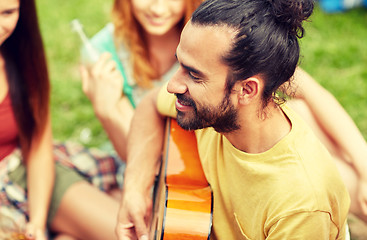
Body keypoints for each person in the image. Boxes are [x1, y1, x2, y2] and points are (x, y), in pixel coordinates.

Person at [115, 0, 351, 239]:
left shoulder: (301, 205)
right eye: (179, 64)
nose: (172, 85)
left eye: (194, 75)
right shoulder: (208, 111)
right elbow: (149, 106)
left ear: (247, 90)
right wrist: (135, 188)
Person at [0, 0, 124, 239]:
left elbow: (37, 145)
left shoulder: (20, 55)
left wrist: (37, 222)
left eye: (7, 12)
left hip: (23, 170)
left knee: (128, 231)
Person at [80, 0, 203, 161]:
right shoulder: (102, 53)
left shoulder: (211, 41)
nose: (158, 9)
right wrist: (106, 112)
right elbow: (138, 160)